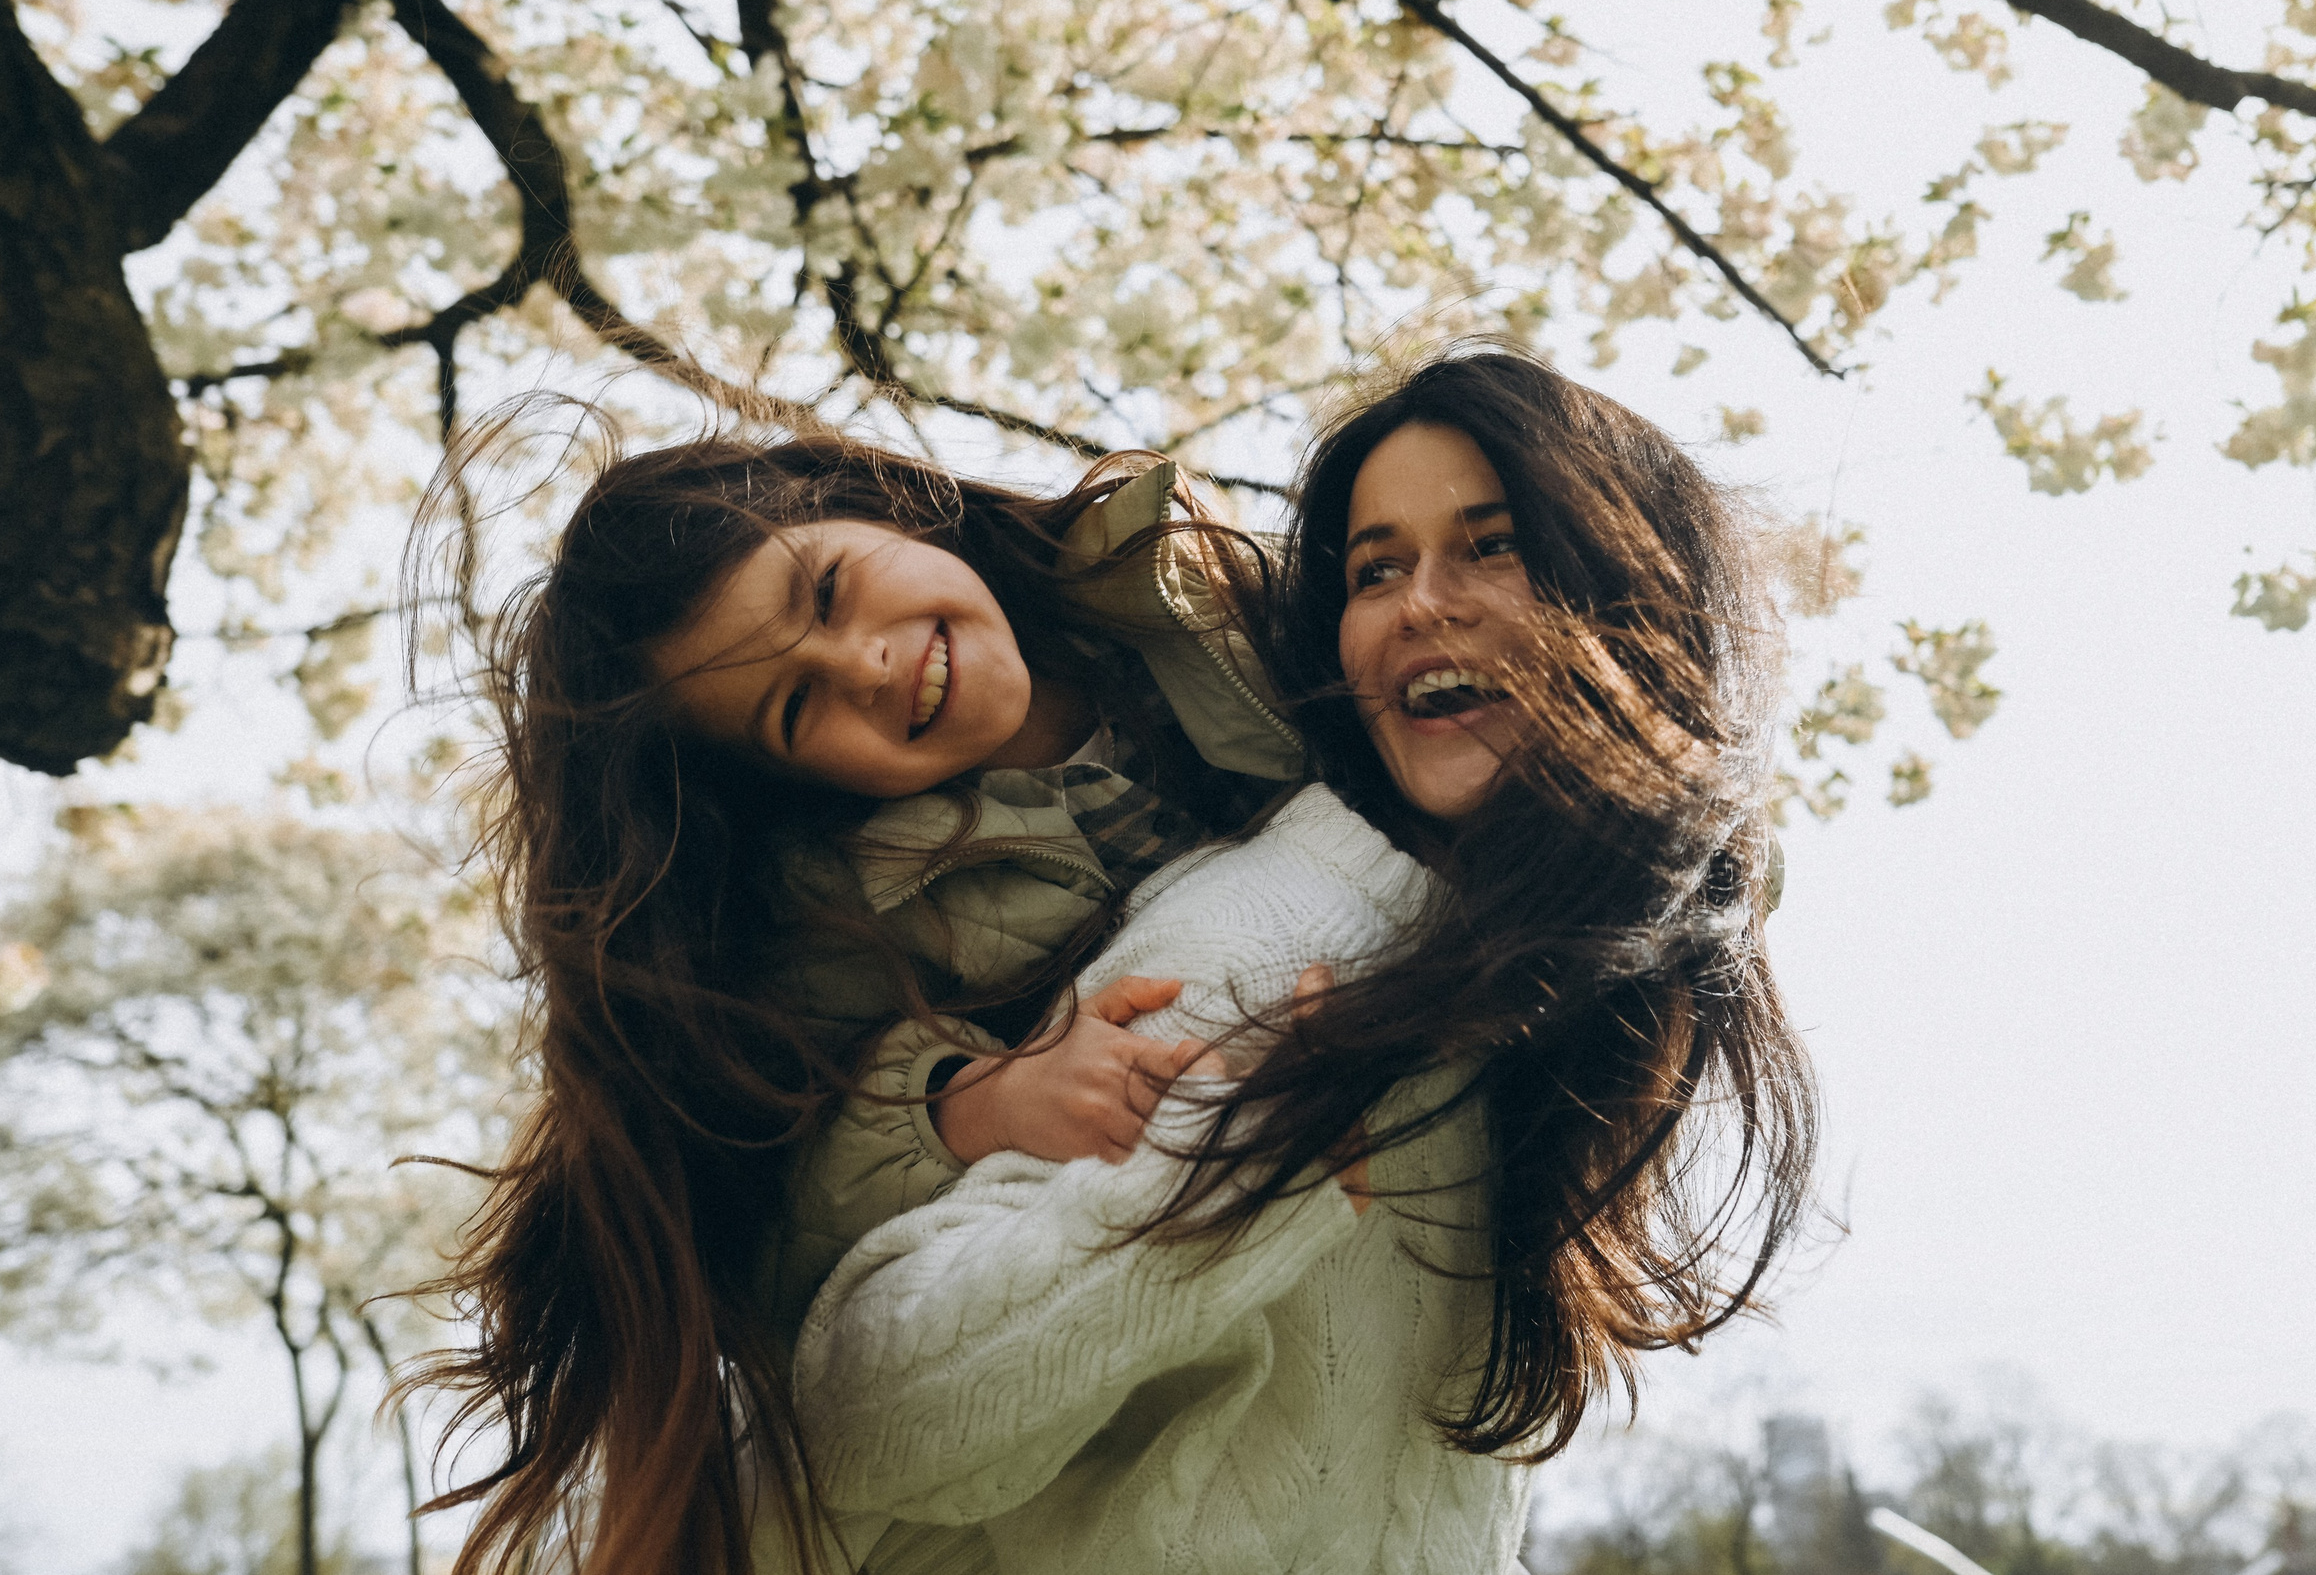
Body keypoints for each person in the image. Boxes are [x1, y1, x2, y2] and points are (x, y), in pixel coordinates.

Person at [778, 346, 1820, 1574]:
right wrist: (1211, 1193)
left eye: (1490, 545)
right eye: (1376, 569)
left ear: (1634, 586)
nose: (1421, 602)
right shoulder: (1269, 941)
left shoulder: (1565, 995)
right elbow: (861, 1415)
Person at [402, 407, 1307, 1575]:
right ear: (800, 783)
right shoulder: (856, 917)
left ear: (874, 509)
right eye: (797, 708)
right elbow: (790, 1221)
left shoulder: (1190, 588)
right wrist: (972, 1103)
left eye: (826, 593)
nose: (866, 667)